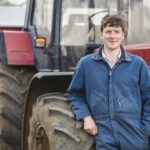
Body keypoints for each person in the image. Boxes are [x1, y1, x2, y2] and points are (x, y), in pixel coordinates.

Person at [68, 13, 150, 150]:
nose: (112, 36)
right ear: (101, 35)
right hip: (102, 133)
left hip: (134, 135)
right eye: (108, 32)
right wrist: (86, 116)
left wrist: (145, 129)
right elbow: (75, 93)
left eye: (117, 32)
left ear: (123, 35)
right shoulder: (86, 64)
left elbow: (149, 97)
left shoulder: (138, 64)